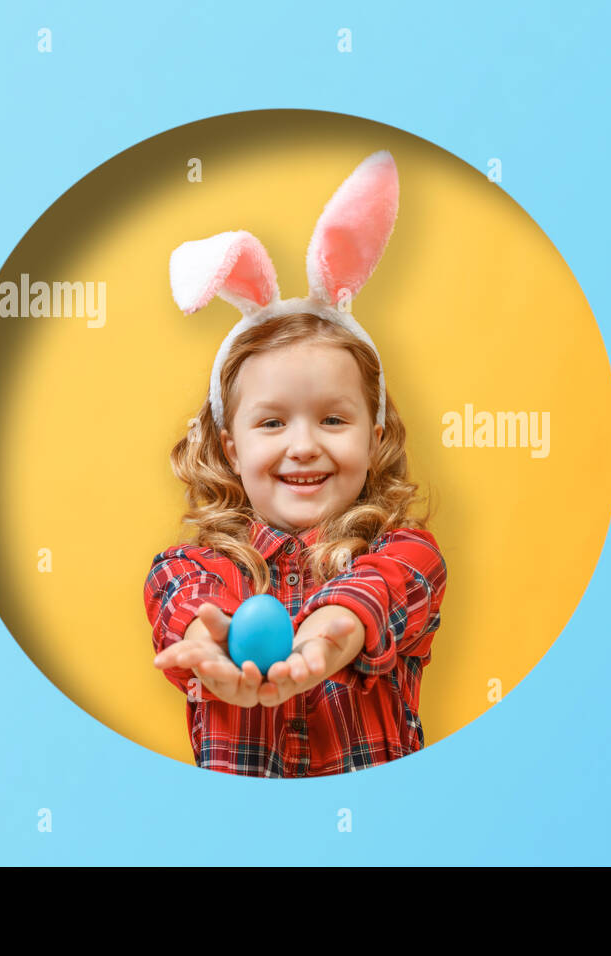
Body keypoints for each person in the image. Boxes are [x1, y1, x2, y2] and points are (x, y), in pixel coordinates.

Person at [144, 150, 447, 777]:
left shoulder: (406, 554)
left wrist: (332, 633)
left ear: (374, 434)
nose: (303, 445)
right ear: (233, 447)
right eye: (273, 422)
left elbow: (376, 594)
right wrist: (211, 644)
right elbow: (185, 605)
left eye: (333, 420)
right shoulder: (189, 568)